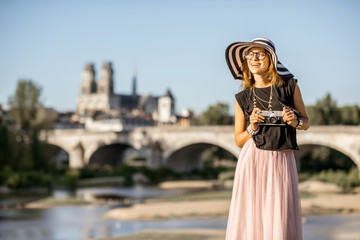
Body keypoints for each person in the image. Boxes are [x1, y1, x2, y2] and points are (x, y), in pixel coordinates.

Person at [224, 38, 310, 240]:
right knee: (252, 216)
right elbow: (238, 140)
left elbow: (306, 122)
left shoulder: (290, 87)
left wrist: (295, 121)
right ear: (246, 61)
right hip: (253, 159)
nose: (254, 58)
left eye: (260, 54)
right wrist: (252, 127)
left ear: (271, 60)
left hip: (281, 159)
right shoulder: (242, 97)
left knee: (280, 215)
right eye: (250, 54)